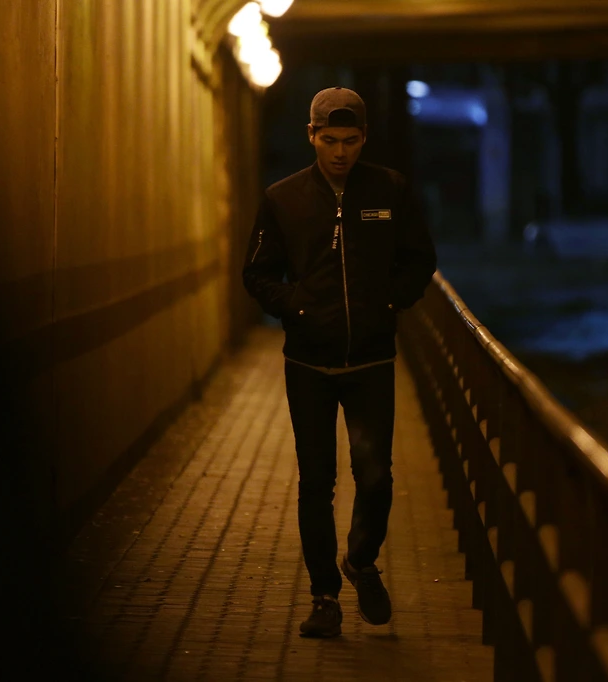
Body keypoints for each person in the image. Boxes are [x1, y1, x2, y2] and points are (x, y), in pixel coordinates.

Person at [242, 87, 437, 638]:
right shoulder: (283, 198)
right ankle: (324, 597)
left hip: (371, 361)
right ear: (312, 136)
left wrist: (389, 302)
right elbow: (256, 273)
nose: (340, 151)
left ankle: (360, 561)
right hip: (308, 364)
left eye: (350, 140)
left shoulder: (389, 190)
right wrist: (297, 306)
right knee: (316, 483)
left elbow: (420, 259)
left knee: (375, 477)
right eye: (330, 140)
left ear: (364, 138)